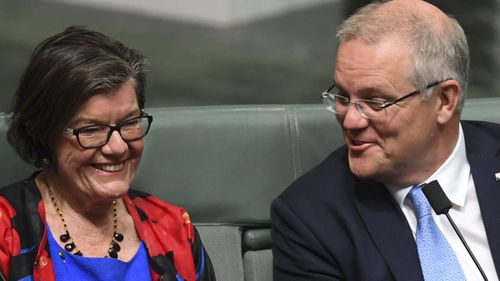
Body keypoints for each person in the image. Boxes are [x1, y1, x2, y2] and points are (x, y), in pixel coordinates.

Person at [271, 0, 500, 280]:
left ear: (444, 101)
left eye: (376, 101)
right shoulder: (310, 216)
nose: (351, 120)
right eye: (343, 96)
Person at [0, 26, 215, 281]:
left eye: (129, 123)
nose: (118, 147)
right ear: (44, 132)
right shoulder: (5, 232)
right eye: (91, 129)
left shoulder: (175, 228)